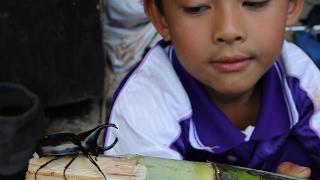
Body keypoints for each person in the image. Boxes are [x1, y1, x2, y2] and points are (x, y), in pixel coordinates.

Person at [104, 0, 320, 178]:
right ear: (161, 19)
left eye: (255, 2)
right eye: (196, 8)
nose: (229, 30)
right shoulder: (143, 108)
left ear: (291, 6)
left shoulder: (299, 78)